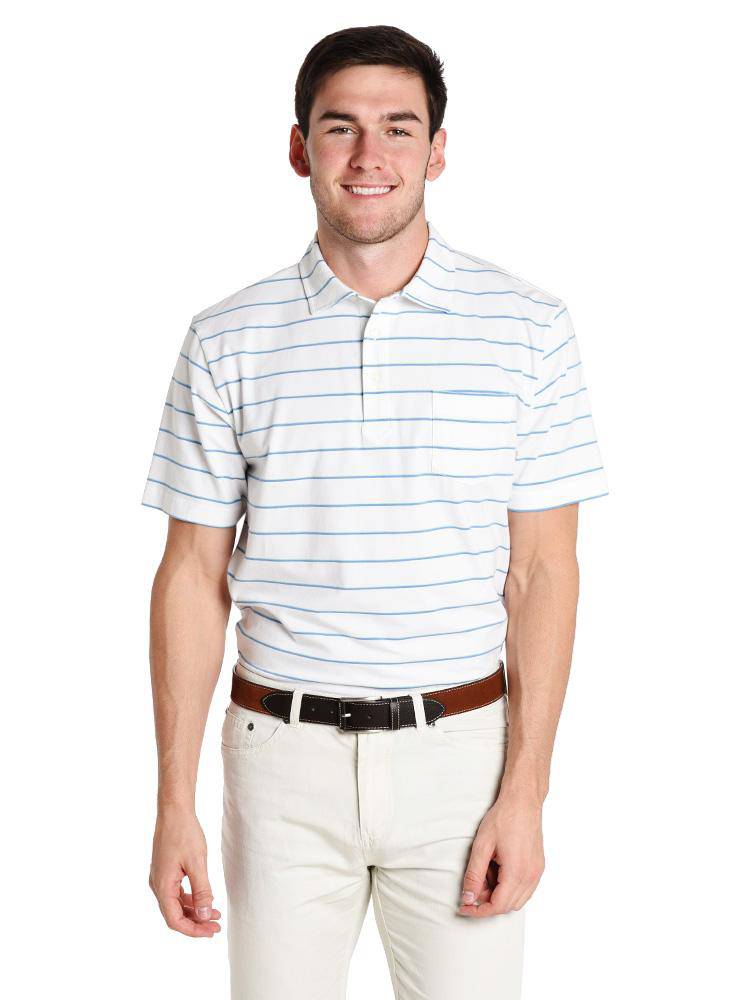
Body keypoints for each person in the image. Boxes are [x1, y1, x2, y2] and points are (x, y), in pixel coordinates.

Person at [142, 24, 609, 1000]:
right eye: (340, 126)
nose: (369, 156)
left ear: (437, 150)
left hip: (462, 759)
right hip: (279, 761)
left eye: (399, 128)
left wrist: (526, 790)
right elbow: (191, 573)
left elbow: (544, 573)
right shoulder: (226, 338)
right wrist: (173, 801)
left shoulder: (529, 328)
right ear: (298, 148)